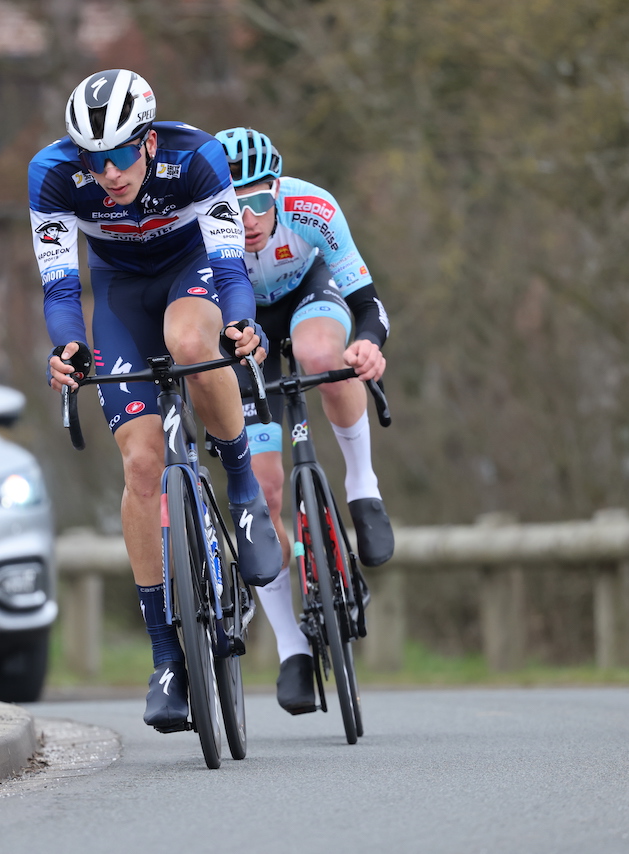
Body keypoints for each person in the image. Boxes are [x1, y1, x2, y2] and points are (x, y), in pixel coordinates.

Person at [30, 70, 283, 732]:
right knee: (141, 465)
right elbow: (61, 290)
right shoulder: (53, 176)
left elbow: (230, 268)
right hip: (117, 295)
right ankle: (167, 657)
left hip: (191, 273)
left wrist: (238, 320)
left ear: (147, 140)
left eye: (121, 153)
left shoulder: (197, 157)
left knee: (190, 342)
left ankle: (243, 492)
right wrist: (69, 350)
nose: (110, 172)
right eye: (95, 158)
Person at [214, 127, 394, 715]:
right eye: (234, 207)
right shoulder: (205, 234)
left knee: (324, 358)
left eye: (260, 202)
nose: (248, 218)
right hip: (243, 329)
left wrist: (368, 344)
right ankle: (292, 649)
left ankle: (361, 484)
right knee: (265, 495)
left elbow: (366, 300)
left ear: (278, 190)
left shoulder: (311, 206)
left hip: (307, 298)